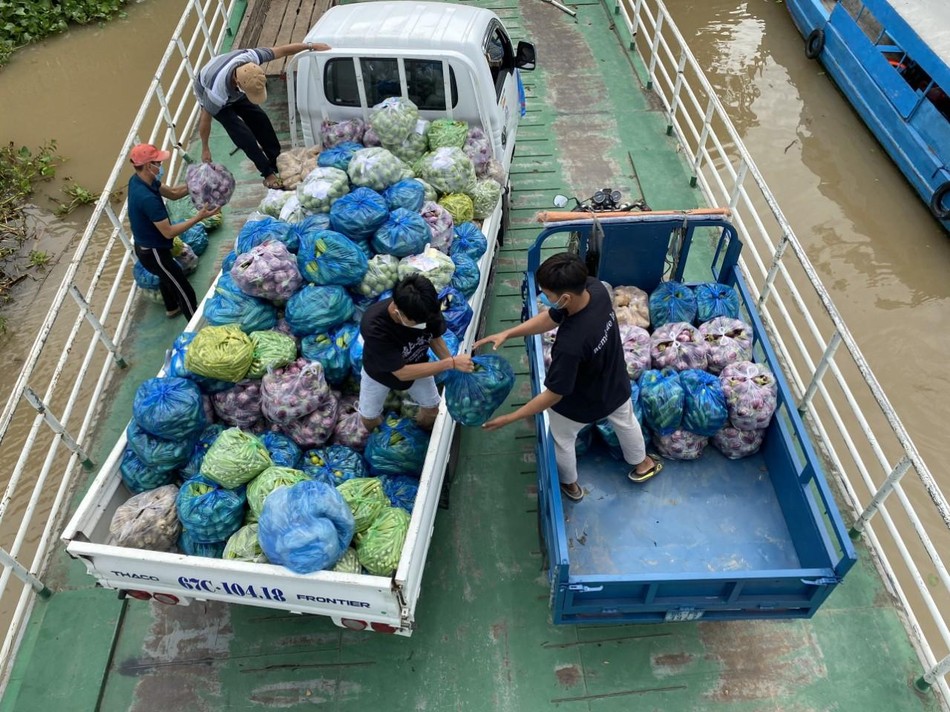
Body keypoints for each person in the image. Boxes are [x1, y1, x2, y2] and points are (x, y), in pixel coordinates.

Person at [474, 252, 661, 502]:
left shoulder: (570, 343)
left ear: (564, 297)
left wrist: (512, 416)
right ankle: (643, 463)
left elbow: (554, 394)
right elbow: (551, 318)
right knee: (627, 423)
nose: (544, 298)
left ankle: (571, 486)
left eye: (548, 295)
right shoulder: (596, 291)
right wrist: (508, 333)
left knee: (563, 440)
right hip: (614, 383)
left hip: (578, 404)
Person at [194, 42, 330, 189]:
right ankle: (267, 173)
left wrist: (310, 46)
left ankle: (277, 160)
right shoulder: (215, 94)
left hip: (235, 87)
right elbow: (205, 119)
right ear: (237, 82)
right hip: (210, 90)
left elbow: (282, 50)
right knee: (243, 135)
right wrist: (205, 148)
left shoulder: (251, 57)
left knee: (260, 120)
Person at [359, 275, 474, 432]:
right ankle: (379, 439)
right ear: (397, 311)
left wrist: (452, 365)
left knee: (432, 409)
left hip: (417, 364)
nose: (423, 324)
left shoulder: (425, 308)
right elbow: (402, 373)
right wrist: (450, 363)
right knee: (369, 417)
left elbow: (435, 338)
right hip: (378, 373)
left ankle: (421, 431)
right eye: (418, 322)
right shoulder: (374, 326)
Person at [127, 143, 219, 319]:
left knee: (166, 276)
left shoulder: (140, 180)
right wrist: (198, 217)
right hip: (153, 252)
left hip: (150, 244)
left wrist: (196, 183)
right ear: (148, 166)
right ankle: (193, 322)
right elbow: (168, 232)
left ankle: (171, 308)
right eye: (158, 163)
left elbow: (173, 193)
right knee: (182, 287)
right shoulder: (147, 199)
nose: (161, 166)